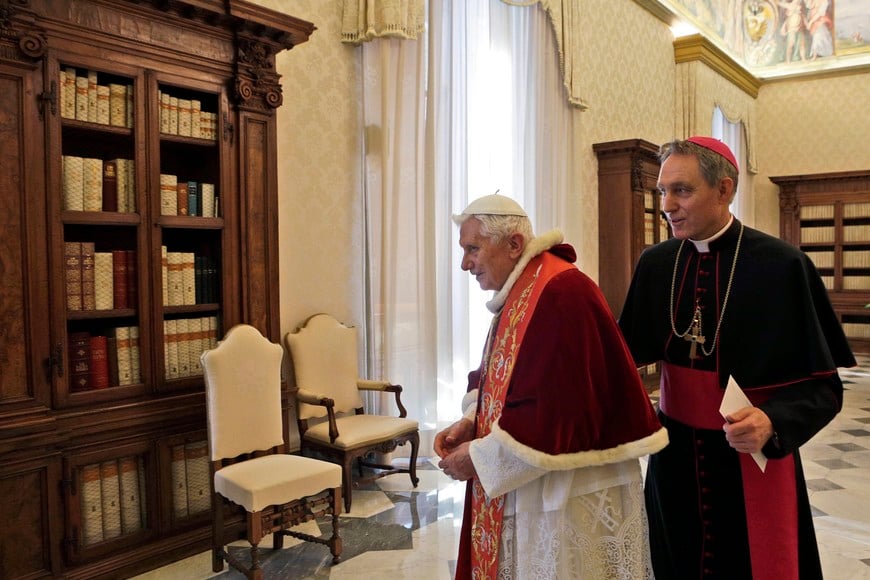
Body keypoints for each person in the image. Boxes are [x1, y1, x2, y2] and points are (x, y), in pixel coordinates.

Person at [618, 136, 855, 580]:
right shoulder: (656, 263)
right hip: (673, 463)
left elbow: (824, 388)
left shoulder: (782, 265)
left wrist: (773, 421)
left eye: (682, 191)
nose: (668, 204)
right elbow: (618, 357)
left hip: (749, 459)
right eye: (663, 191)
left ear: (724, 190)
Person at [435, 194, 668, 579]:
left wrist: (478, 457)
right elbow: (500, 376)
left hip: (569, 487)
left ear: (514, 244)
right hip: (530, 480)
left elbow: (555, 412)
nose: (465, 264)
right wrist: (470, 419)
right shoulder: (521, 289)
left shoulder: (561, 293)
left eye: (473, 248)